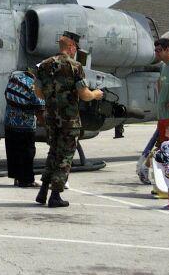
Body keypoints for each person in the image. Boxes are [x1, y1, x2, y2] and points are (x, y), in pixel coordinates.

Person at [34, 31, 103, 208]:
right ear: (71, 47)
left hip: (51, 119)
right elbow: (84, 94)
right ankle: (55, 195)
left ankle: (43, 192)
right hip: (69, 121)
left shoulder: (44, 65)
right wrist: (96, 94)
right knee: (65, 157)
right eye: (75, 49)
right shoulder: (75, 66)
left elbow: (38, 93)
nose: (75, 52)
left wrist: (53, 98)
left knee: (53, 154)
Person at [3, 70, 43, 187]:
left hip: (10, 121)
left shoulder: (15, 78)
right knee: (27, 153)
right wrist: (47, 126)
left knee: (13, 152)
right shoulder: (35, 85)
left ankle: (17, 177)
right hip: (25, 125)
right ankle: (26, 180)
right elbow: (40, 109)